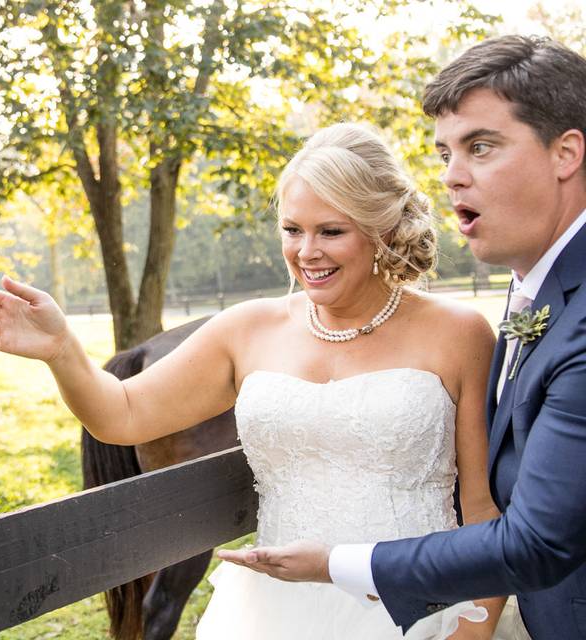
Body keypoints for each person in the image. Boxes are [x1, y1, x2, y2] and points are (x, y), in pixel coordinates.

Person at [0, 123, 505, 638]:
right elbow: (122, 415)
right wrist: (61, 350)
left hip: (421, 610)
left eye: (331, 231)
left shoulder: (458, 334)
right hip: (273, 615)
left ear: (383, 230)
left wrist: (474, 628)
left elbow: (482, 508)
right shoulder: (246, 329)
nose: (306, 252)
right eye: (292, 230)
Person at [218, 35, 586, 640]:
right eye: (444, 154)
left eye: (481, 147)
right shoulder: (538, 294)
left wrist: (336, 565)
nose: (452, 177)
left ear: (565, 152)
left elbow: (536, 538)